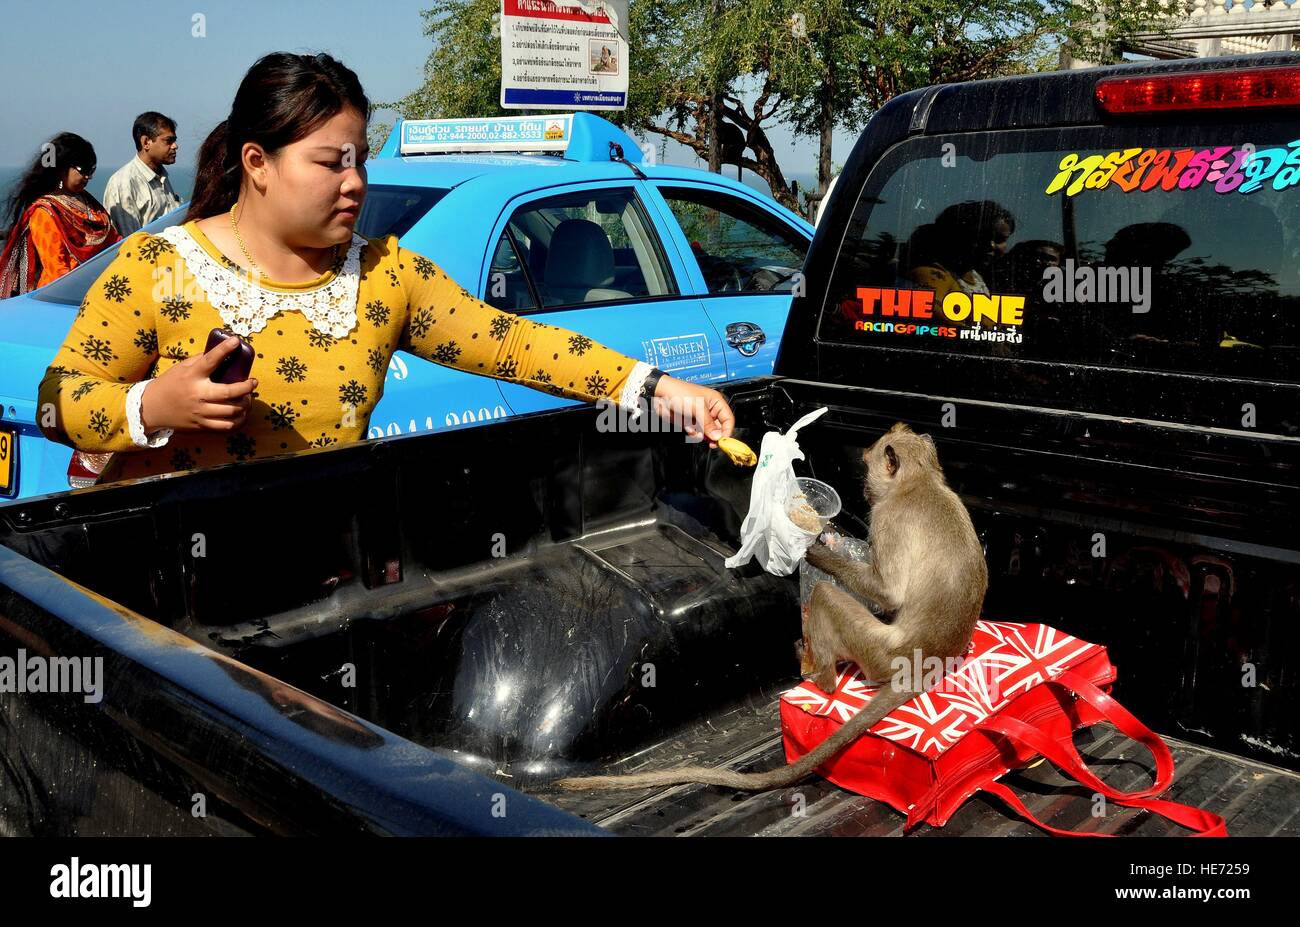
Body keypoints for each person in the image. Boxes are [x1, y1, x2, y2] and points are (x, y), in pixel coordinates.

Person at [37, 52, 733, 484]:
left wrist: (660, 388)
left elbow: (516, 344)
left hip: (327, 581)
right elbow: (56, 402)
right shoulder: (160, 265)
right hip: (173, 592)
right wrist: (151, 407)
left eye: (360, 158)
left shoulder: (383, 276)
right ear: (258, 164)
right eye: (330, 162)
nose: (356, 181)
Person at [0, 133, 121, 297]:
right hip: (63, 297)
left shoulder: (87, 202)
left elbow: (115, 242)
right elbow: (56, 267)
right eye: (83, 170)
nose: (88, 177)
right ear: (62, 168)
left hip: (102, 289)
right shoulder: (45, 212)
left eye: (91, 170)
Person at [103, 111, 183, 235]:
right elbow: (129, 243)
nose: (175, 146)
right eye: (168, 141)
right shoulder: (123, 183)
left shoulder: (161, 176)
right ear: (146, 142)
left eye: (174, 140)